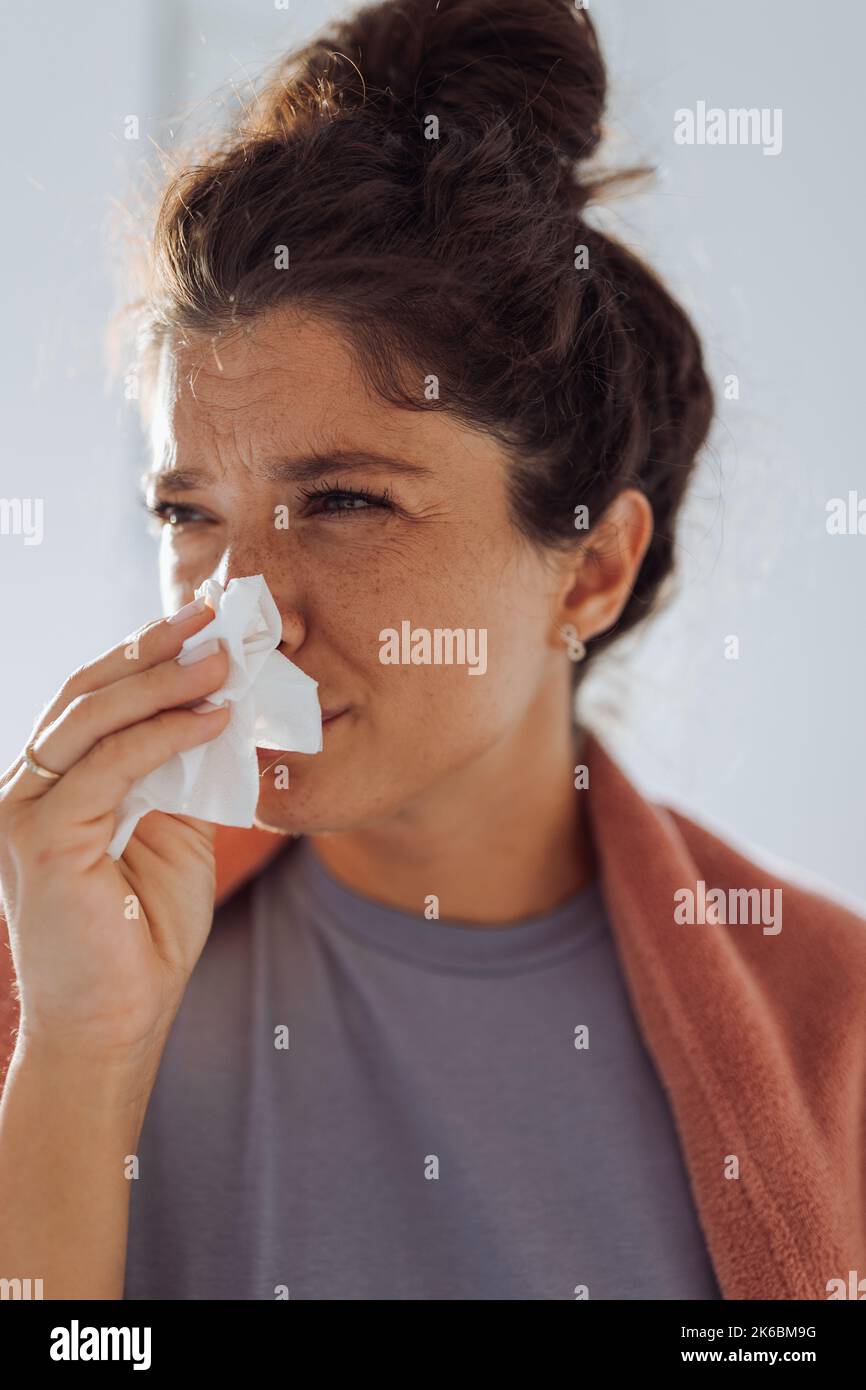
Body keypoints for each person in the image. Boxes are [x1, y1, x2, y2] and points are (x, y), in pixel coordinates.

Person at [1, 0, 863, 1302]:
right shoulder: (47, 963)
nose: (245, 607)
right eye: (188, 512)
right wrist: (75, 1051)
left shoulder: (833, 1025)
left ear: (589, 566)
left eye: (345, 501)